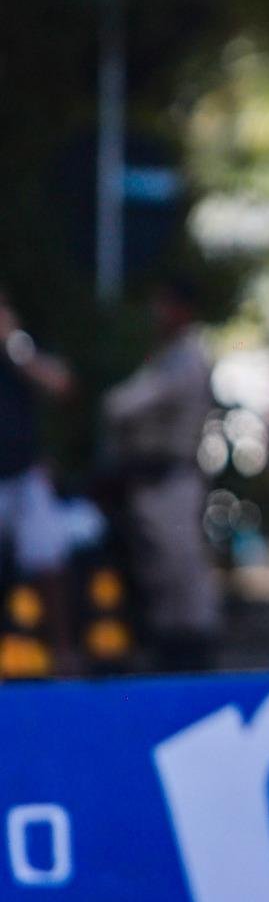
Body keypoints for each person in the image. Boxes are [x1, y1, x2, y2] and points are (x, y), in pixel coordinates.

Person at [101, 277, 221, 672]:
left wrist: (106, 402)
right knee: (161, 573)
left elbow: (127, 403)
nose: (158, 313)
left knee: (182, 567)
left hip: (172, 476)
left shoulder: (185, 357)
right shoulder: (166, 353)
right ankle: (174, 650)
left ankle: (197, 650)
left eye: (165, 304)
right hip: (149, 480)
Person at [0, 286, 75, 668]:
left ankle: (62, 655)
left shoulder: (21, 349)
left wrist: (15, 346)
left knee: (48, 559)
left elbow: (61, 385)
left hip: (25, 473)